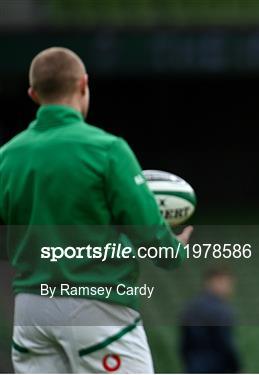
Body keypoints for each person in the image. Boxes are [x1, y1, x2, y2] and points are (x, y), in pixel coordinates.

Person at [0, 47, 193, 373]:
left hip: (30, 312)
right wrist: (175, 249)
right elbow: (148, 233)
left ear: (34, 94)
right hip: (97, 307)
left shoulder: (7, 156)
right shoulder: (108, 149)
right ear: (83, 84)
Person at [179, 266, 241, 373]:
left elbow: (184, 345)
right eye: (225, 283)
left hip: (193, 367)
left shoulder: (191, 308)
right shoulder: (221, 310)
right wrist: (237, 368)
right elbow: (226, 343)